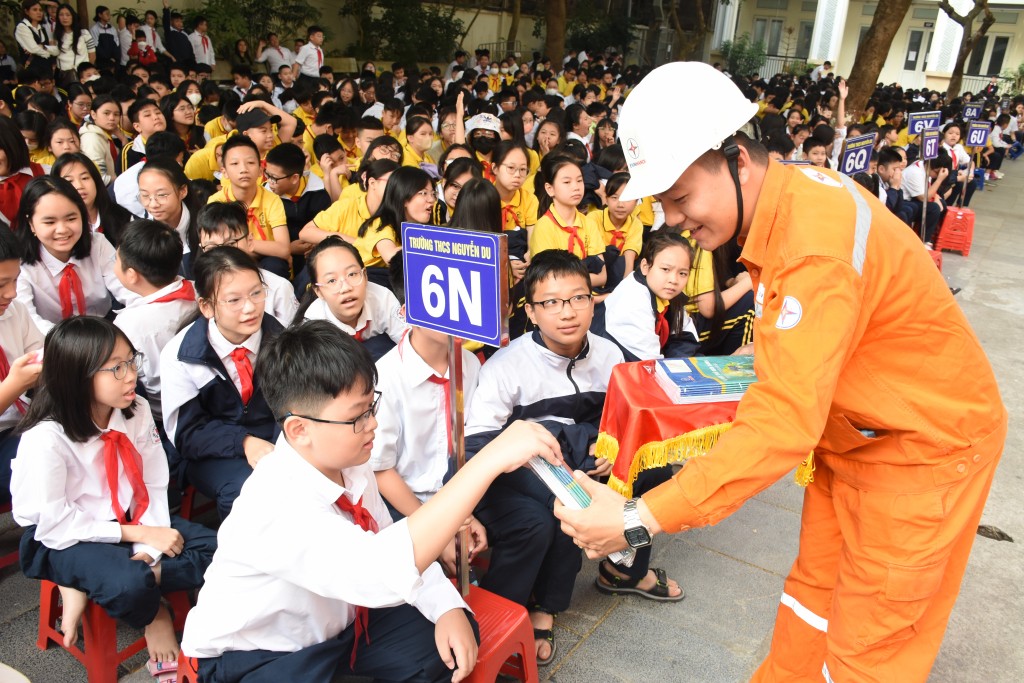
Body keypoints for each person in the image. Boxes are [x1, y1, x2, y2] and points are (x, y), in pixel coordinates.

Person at [554, 61, 1006, 683]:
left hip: (923, 452)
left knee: (869, 649)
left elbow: (783, 422)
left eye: (682, 197)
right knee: (810, 603)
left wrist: (638, 519)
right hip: (855, 439)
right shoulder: (788, 202)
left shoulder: (813, 244)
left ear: (737, 159)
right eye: (664, 204)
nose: (676, 221)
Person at [181, 319, 562, 682]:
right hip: (260, 656)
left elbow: (388, 536)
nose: (373, 425)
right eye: (357, 418)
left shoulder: (346, 458)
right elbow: (378, 570)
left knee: (450, 646)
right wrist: (488, 462)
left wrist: (447, 605)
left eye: (371, 407)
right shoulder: (277, 503)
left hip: (344, 619)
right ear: (299, 430)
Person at [466, 250, 681, 665]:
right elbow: (479, 445)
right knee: (564, 505)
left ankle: (623, 569)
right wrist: (576, 451)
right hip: (521, 469)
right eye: (551, 302)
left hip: (586, 461)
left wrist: (610, 448)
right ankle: (544, 605)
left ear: (592, 299)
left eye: (579, 298)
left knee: (654, 471)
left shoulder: (609, 354)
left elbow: (625, 420)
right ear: (530, 311)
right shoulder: (506, 367)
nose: (567, 313)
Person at [11, 315, 217, 664]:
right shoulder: (44, 439)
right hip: (63, 535)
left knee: (223, 548)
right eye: (116, 369)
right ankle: (155, 614)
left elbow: (152, 480)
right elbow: (55, 522)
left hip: (129, 516)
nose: (131, 375)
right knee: (127, 585)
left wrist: (146, 548)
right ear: (78, 376)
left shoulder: (133, 411)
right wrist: (138, 533)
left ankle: (113, 582)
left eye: (130, 361)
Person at [370, 257, 487, 575]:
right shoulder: (384, 377)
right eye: (438, 302)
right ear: (406, 311)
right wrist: (436, 529)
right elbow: (381, 471)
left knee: (529, 524)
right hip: (404, 500)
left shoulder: (471, 364)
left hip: (458, 491)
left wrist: (462, 512)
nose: (453, 315)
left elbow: (473, 445)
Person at [160, 246, 282, 520]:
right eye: (234, 300)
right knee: (246, 491)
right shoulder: (181, 355)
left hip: (276, 443)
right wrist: (244, 442)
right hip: (212, 453)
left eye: (256, 293)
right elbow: (188, 433)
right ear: (206, 306)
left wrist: (280, 448)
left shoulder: (280, 339)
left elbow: (294, 403)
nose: (250, 307)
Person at [15, 176, 134, 333]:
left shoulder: (97, 244)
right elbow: (28, 318)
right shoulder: (18, 262)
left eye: (71, 218)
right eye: (50, 222)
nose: (62, 229)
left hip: (104, 327)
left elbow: (127, 288)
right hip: (49, 337)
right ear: (31, 223)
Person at [295, 237, 407, 361]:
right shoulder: (314, 324)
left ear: (364, 276)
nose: (346, 288)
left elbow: (410, 344)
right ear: (318, 291)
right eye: (332, 280)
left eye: (352, 274)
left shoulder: (382, 298)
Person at [195, 201, 299, 326]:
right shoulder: (200, 289)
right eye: (211, 247)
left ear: (249, 241)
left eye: (231, 244)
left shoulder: (279, 287)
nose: (222, 254)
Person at [603, 231, 700, 361]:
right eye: (665, 269)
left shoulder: (666, 292)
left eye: (682, 273)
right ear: (645, 266)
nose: (674, 280)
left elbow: (685, 337)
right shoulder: (632, 302)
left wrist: (677, 362)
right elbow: (650, 365)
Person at [0, 225, 43, 506]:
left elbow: (39, 355)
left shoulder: (14, 312)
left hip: (22, 424)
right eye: (1, 284)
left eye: (15, 280)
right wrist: (13, 386)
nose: (12, 293)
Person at [206, 135, 291, 278]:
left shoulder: (272, 200)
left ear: (260, 170)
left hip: (265, 262)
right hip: (231, 263)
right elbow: (217, 250)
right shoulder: (216, 201)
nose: (243, 169)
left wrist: (236, 244)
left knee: (275, 264)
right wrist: (259, 247)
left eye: (250, 162)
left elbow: (283, 249)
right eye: (235, 164)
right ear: (224, 172)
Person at [529, 154, 606, 288]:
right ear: (550, 189)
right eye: (567, 182)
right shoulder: (544, 226)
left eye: (579, 180)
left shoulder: (589, 223)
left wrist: (569, 278)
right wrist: (584, 277)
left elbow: (602, 277)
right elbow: (550, 280)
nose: (576, 187)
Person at [52, 152, 135, 246]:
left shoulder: (122, 217)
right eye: (69, 181)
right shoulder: (59, 229)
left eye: (85, 178)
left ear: (95, 180)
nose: (79, 186)